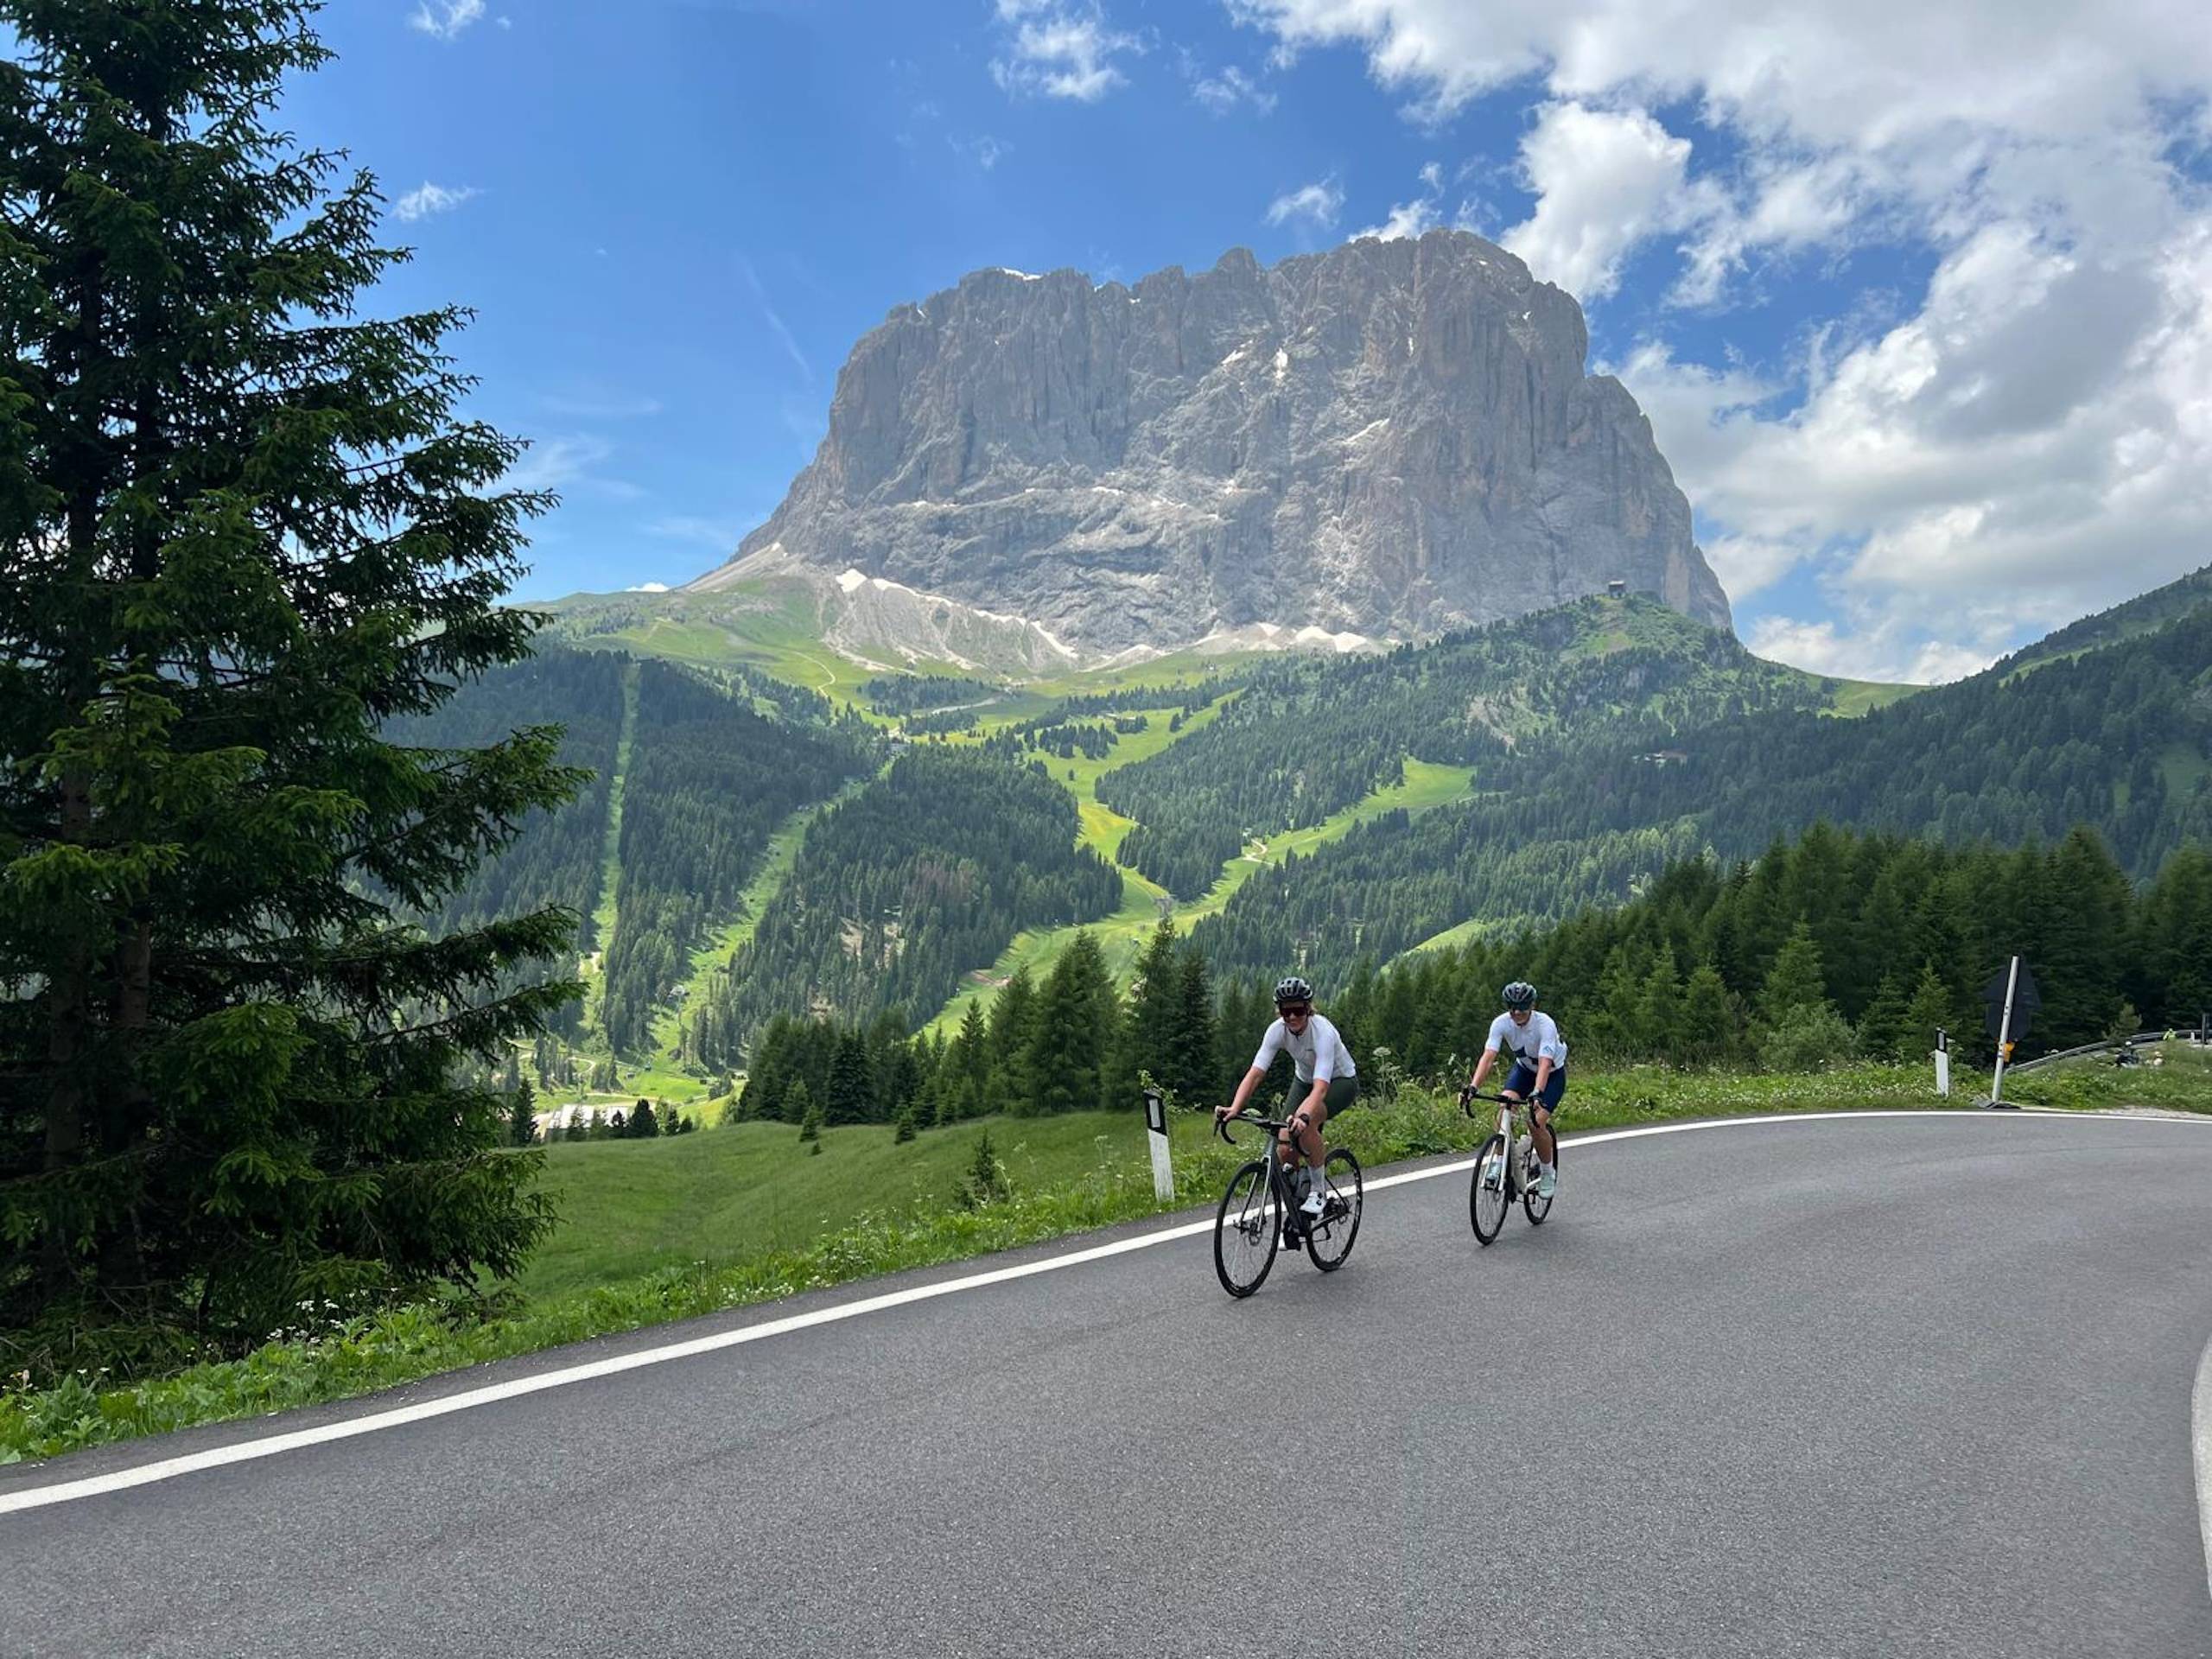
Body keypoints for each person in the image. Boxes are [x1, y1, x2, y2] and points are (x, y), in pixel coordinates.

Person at [1217, 975, 1359, 1229]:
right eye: (1286, 1011)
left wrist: (1305, 1117)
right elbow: (1256, 1073)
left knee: (1306, 1125)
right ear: (1280, 1011)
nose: (1292, 1017)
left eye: (1298, 1010)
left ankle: (1318, 1191)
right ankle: (1297, 1208)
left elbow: (1321, 1087)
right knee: (1283, 1145)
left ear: (1308, 1008)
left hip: (1339, 1082)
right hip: (1304, 1080)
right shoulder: (1277, 1031)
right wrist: (1235, 1108)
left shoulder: (1322, 1032)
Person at [1465, 980, 1567, 1198]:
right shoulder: (1501, 1023)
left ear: (1532, 1006)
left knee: (1535, 1123)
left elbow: (1546, 1062)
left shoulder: (1545, 1024)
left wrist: (1538, 1092)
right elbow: (1489, 1056)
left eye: (1522, 1008)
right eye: (1512, 1007)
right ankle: (1500, 1162)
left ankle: (1548, 1173)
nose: (1517, 1012)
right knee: (1504, 1107)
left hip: (1551, 1075)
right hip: (1523, 1071)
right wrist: (1473, 1087)